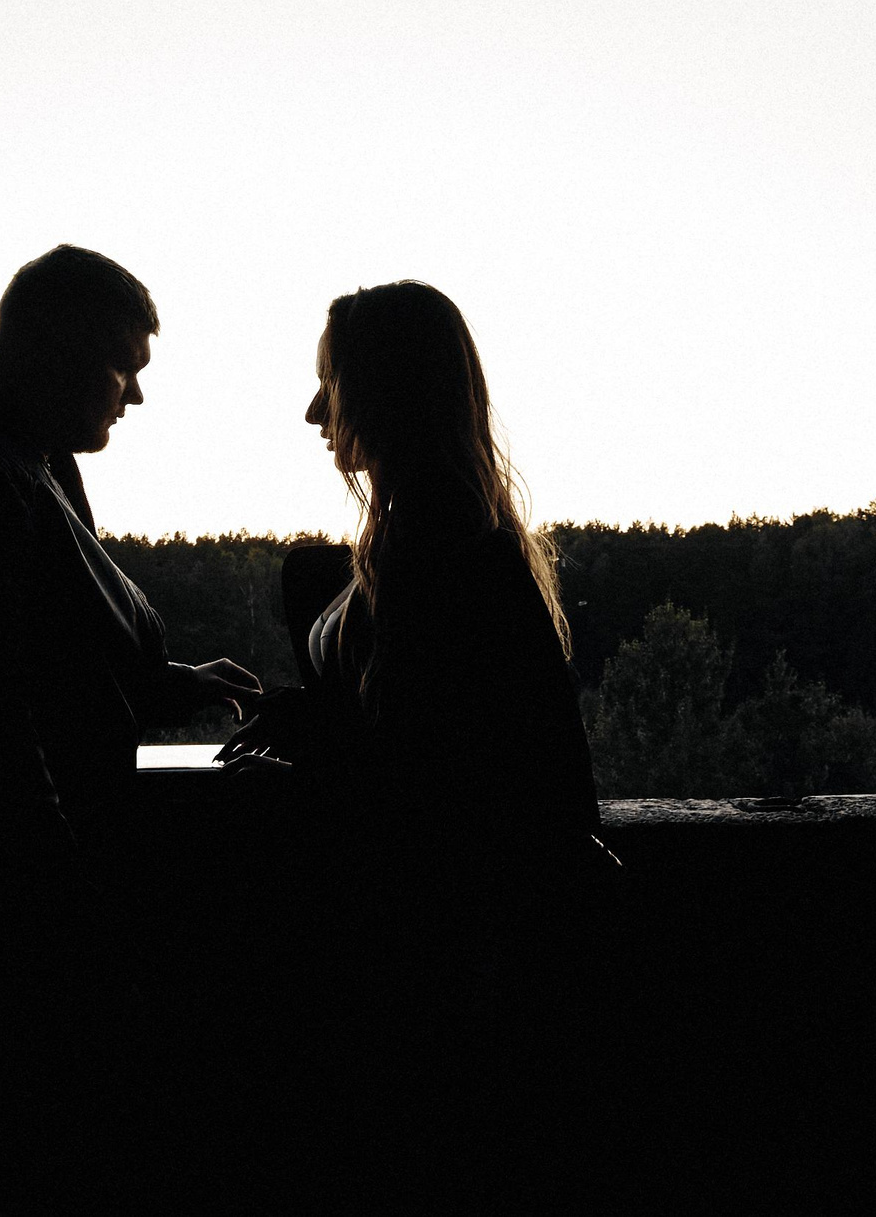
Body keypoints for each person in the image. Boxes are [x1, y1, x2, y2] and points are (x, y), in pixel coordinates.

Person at [0, 244, 258, 1193]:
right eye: (122, 368)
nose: (134, 397)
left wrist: (169, 682)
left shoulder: (23, 460)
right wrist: (79, 942)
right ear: (55, 349)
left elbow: (41, 661)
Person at [220, 281, 612, 1189]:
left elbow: (432, 778)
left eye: (332, 385)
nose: (314, 412)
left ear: (385, 390)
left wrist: (310, 744)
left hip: (450, 955)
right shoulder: (429, 531)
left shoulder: (438, 545)